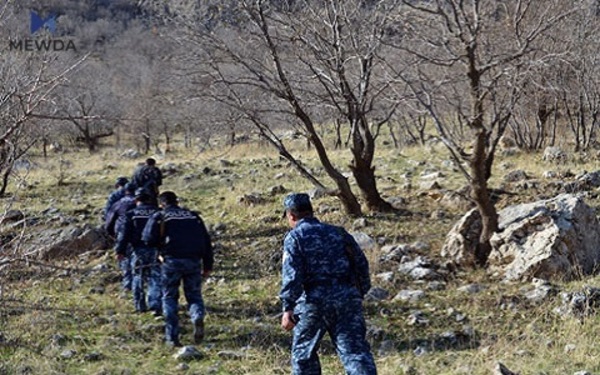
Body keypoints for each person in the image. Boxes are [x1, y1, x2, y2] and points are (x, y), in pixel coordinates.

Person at [279, 193, 377, 375]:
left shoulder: (295, 237)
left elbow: (292, 276)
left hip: (312, 303)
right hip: (346, 298)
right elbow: (361, 263)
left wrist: (288, 307)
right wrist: (359, 292)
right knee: (355, 353)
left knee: (304, 355)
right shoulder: (338, 232)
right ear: (310, 211)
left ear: (291, 215)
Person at [142, 191, 214, 347]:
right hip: (194, 261)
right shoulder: (193, 216)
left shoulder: (160, 216)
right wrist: (208, 265)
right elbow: (206, 242)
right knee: (194, 296)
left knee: (169, 297)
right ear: (177, 201)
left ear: (162, 203)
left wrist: (159, 247)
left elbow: (147, 238)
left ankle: (172, 337)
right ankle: (196, 317)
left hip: (170, 261)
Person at [115, 188, 162, 315]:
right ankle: (155, 305)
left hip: (137, 250)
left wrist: (120, 250)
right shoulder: (158, 212)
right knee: (155, 277)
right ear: (149, 199)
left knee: (137, 276)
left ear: (136, 200)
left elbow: (124, 234)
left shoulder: (131, 214)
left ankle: (139, 305)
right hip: (156, 250)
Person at [105, 183, 137, 292]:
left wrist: (112, 235)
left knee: (124, 260)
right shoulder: (140, 202)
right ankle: (138, 284)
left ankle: (128, 285)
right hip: (139, 236)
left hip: (121, 235)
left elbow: (109, 223)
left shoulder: (118, 204)